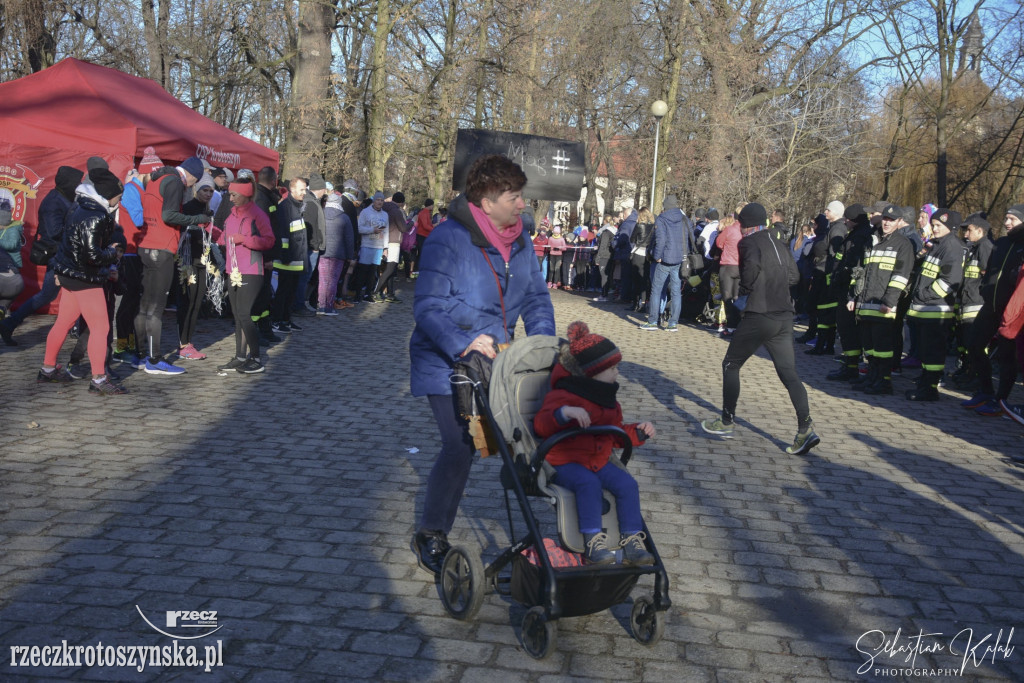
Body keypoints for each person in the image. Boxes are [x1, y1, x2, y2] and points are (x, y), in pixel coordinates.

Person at [409, 154, 555, 575]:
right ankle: (431, 533)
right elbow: (429, 306)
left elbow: (536, 298)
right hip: (445, 360)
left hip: (498, 360)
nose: (522, 204)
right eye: (515, 196)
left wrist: (544, 345)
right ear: (487, 200)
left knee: (523, 435)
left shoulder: (522, 240)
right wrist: (463, 342)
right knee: (460, 445)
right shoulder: (447, 239)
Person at [533, 321, 656, 565]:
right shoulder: (563, 394)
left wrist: (639, 433)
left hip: (597, 459)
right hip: (565, 461)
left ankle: (632, 538)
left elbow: (615, 432)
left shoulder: (607, 398)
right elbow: (541, 425)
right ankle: (592, 541)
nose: (617, 373)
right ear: (592, 371)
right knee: (588, 484)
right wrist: (564, 412)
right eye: (612, 368)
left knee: (627, 484)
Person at [700, 203, 819, 455]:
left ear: (745, 225)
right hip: (785, 316)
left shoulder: (748, 243)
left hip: (759, 313)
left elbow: (751, 272)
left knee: (731, 364)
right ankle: (805, 428)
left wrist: (745, 292)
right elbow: (794, 277)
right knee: (789, 374)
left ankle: (726, 420)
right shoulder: (779, 241)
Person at [38, 167, 128, 395]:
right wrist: (113, 253)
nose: (120, 199)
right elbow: (93, 255)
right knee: (101, 327)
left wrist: (59, 270)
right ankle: (98, 379)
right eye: (119, 195)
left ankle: (47, 369)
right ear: (108, 195)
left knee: (64, 322)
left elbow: (67, 244)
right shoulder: (97, 216)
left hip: (71, 274)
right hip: (85, 279)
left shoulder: (78, 207)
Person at [134, 156, 211, 375]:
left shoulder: (156, 179)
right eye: (194, 182)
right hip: (162, 248)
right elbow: (168, 215)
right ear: (192, 175)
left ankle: (140, 355)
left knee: (145, 305)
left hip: (145, 246)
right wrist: (197, 219)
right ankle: (154, 360)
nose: (191, 186)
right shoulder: (175, 181)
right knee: (156, 307)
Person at [0, 165, 83, 346]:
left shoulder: (64, 198)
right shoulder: (54, 202)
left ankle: (9, 324)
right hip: (58, 256)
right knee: (55, 294)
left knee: (55, 294)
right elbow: (54, 231)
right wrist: (78, 230)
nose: (79, 185)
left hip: (63, 254)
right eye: (77, 182)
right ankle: (9, 323)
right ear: (68, 183)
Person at [846, 204, 915, 395]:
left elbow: (901, 276)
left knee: (882, 347)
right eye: (885, 218)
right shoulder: (871, 241)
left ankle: (884, 382)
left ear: (899, 222)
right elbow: (859, 272)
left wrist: (889, 301)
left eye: (892, 220)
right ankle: (872, 377)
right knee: (869, 347)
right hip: (865, 303)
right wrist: (853, 295)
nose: (887, 222)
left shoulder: (903, 245)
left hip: (883, 306)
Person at [962, 204, 1024, 415]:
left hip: (1011, 312)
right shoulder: (1002, 242)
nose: (1007, 223)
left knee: (1007, 358)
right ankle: (985, 390)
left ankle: (1001, 400)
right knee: (974, 345)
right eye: (1006, 218)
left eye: (1012, 220)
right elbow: (989, 271)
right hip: (991, 306)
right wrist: (985, 290)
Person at [216, 178, 275, 374]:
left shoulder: (257, 214)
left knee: (244, 313)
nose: (230, 198)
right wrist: (212, 232)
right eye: (230, 194)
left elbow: (268, 241)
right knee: (237, 315)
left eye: (234, 195)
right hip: (232, 270)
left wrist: (245, 240)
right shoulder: (231, 215)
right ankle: (240, 356)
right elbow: (225, 239)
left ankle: (256, 357)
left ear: (246, 195)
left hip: (251, 270)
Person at [905, 209, 964, 401]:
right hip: (926, 309)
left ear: (951, 227)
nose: (935, 228)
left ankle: (930, 389)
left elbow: (949, 281)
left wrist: (924, 295)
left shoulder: (952, 246)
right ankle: (925, 382)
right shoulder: (937, 245)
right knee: (925, 351)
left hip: (936, 310)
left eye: (939, 225)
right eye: (934, 224)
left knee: (933, 353)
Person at [176, 173, 219, 360]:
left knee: (197, 302)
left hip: (203, 261)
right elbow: (182, 233)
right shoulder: (187, 208)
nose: (208, 194)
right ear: (196, 189)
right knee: (188, 302)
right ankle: (183, 343)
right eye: (205, 190)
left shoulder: (208, 211)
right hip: (188, 262)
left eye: (211, 190)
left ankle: (188, 341)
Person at [640, 195, 690, 331]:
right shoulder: (684, 218)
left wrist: (657, 256)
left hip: (664, 259)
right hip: (679, 259)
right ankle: (673, 323)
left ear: (665, 206)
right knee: (676, 292)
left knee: (656, 290)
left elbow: (660, 240)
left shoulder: (662, 219)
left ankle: (652, 321)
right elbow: (689, 238)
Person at [269, 177, 308, 333]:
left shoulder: (296, 207)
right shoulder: (286, 208)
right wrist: (285, 255)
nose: (304, 193)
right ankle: (277, 321)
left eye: (305, 189)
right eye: (301, 189)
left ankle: (286, 319)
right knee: (283, 292)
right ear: (292, 190)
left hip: (296, 259)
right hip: (288, 259)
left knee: (291, 292)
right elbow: (283, 234)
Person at [319, 189, 355, 314]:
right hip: (338, 254)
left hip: (322, 252)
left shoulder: (321, 213)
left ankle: (321, 305)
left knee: (323, 280)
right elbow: (349, 238)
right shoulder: (344, 217)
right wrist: (350, 255)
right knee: (333, 281)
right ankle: (328, 306)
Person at [352, 191, 388, 302]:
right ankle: (358, 295)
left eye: (382, 200)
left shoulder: (385, 215)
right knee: (363, 271)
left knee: (373, 272)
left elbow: (386, 231)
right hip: (367, 245)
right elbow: (359, 228)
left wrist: (385, 248)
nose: (380, 202)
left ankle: (368, 294)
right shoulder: (365, 212)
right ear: (374, 200)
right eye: (378, 200)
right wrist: (372, 230)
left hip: (378, 246)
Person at [714, 208, 743, 336]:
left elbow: (719, 243)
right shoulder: (746, 231)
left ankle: (730, 326)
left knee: (727, 297)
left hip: (727, 265)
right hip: (740, 266)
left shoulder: (730, 229)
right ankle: (738, 325)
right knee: (737, 297)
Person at [0, 199, 25, 320]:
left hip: (13, 263)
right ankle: (3, 310)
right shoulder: (2, 229)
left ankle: (6, 312)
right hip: (4, 265)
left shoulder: (13, 229)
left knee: (8, 288)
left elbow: (12, 244)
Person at [592, 214, 617, 301]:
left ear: (604, 221)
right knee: (608, 275)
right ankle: (605, 293)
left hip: (605, 255)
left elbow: (603, 245)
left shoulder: (606, 232)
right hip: (611, 255)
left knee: (604, 275)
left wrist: (598, 257)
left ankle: (603, 295)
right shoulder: (614, 230)